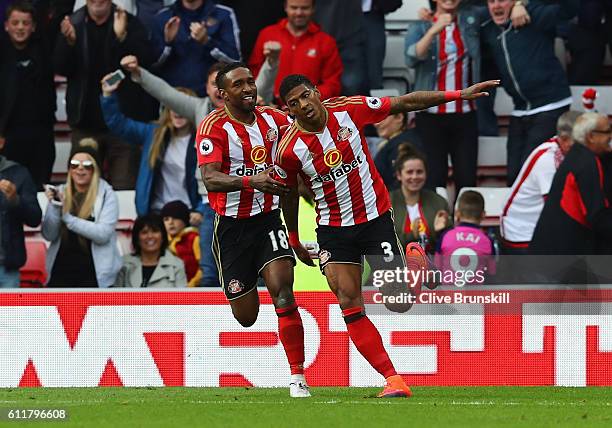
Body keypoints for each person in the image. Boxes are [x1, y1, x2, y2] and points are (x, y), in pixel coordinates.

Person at [274, 73, 497, 397]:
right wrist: (294, 238)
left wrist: (459, 94)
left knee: (398, 302)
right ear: (289, 110)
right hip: (333, 229)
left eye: (306, 95)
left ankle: (416, 266)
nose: (303, 105)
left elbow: (407, 102)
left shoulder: (351, 110)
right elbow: (289, 193)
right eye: (294, 104)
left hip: (374, 219)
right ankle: (393, 379)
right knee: (348, 302)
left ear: (317, 92)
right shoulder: (289, 149)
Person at [196, 62, 310, 398]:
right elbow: (211, 178)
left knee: (284, 293)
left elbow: (303, 141)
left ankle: (297, 376)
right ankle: (245, 284)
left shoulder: (274, 120)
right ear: (223, 94)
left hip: (268, 219)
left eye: (250, 82)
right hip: (230, 228)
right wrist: (251, 180)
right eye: (239, 84)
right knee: (246, 317)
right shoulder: (212, 127)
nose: (248, 88)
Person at [120, 52, 280, 287]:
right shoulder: (199, 109)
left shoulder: (253, 108)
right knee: (210, 270)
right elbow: (166, 93)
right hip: (212, 205)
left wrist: (271, 62)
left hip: (256, 200)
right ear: (208, 88)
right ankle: (211, 322)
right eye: (214, 84)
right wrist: (138, 73)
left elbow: (262, 85)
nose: (218, 89)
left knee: (262, 268)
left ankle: (265, 318)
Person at [54, 0, 157, 190]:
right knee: (81, 190)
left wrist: (122, 37)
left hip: (123, 125)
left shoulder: (129, 22)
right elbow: (60, 67)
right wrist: (68, 44)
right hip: (85, 124)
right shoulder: (73, 22)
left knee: (125, 188)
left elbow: (146, 60)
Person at [481, 0, 579, 185]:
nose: (496, 6)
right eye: (491, 1)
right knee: (514, 176)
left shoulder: (533, 14)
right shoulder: (487, 26)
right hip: (520, 110)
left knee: (531, 173)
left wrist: (523, 3)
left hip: (550, 105)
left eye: (502, 0)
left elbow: (570, 8)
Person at [99, 73, 204, 219]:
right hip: (155, 213)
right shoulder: (153, 133)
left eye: (182, 107)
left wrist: (200, 210)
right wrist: (108, 95)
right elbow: (118, 124)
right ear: (168, 109)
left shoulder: (205, 139)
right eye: (174, 106)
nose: (178, 112)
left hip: (189, 214)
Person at [530, 112, 612, 256]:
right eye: (607, 132)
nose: (610, 136)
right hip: (561, 256)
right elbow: (597, 215)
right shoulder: (586, 163)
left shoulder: (580, 155)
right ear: (591, 136)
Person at [42, 140, 122, 287]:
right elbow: (49, 234)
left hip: (94, 276)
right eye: (74, 165)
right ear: (69, 169)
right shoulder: (60, 191)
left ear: (95, 169)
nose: (80, 169)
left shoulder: (107, 194)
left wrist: (67, 218)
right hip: (61, 272)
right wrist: (55, 207)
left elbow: (102, 235)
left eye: (87, 165)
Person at [500, 110, 581, 254]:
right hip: (523, 233)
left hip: (535, 227)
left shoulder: (563, 150)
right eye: (580, 141)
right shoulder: (547, 160)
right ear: (564, 139)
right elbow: (556, 208)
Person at [0, 1, 56, 190]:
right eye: (15, 23)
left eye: (25, 23)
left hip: (41, 137)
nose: (20, 28)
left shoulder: (45, 50)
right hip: (8, 137)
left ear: (33, 27)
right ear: (6, 25)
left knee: (40, 190)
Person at [248, 0, 342, 103]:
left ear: (313, 9)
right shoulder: (267, 34)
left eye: (304, 8)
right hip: (269, 105)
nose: (299, 13)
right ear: (285, 7)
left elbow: (332, 83)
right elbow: (253, 72)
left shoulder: (326, 42)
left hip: (308, 109)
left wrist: (306, 99)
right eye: (294, 7)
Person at [150, 0, 241, 97]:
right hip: (174, 98)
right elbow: (152, 64)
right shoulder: (162, 17)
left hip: (211, 98)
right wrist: (168, 43)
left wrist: (207, 41)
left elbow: (235, 60)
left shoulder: (223, 14)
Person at [389, 143, 451, 252]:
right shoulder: (387, 203)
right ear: (399, 175)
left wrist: (440, 232)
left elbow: (448, 242)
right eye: (409, 172)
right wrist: (412, 235)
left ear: (426, 174)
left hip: (431, 264)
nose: (415, 177)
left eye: (419, 172)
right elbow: (385, 242)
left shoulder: (439, 202)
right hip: (396, 265)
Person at [0, 145, 42, 287]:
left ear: (1, 142)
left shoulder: (19, 173)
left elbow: (35, 218)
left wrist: (15, 200)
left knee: (8, 310)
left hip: (6, 268)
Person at [434, 190, 495, 284]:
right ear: (483, 215)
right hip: (477, 297)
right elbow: (492, 272)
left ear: (457, 214)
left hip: (447, 296)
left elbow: (437, 268)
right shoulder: (487, 241)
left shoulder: (445, 236)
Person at [114, 213, 188, 287]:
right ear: (137, 238)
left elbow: (181, 298)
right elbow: (116, 297)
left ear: (163, 237)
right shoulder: (124, 264)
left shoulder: (176, 265)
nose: (150, 236)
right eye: (144, 232)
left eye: (155, 231)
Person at [373, 111, 423, 191]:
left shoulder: (402, 144)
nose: (376, 124)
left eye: (381, 118)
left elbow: (397, 183)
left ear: (399, 117)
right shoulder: (398, 141)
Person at [162, 200, 202, 287]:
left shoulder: (193, 238)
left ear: (184, 220)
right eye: (166, 219)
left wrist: (190, 286)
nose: (170, 222)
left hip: (192, 289)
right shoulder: (161, 242)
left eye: (175, 218)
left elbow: (203, 268)